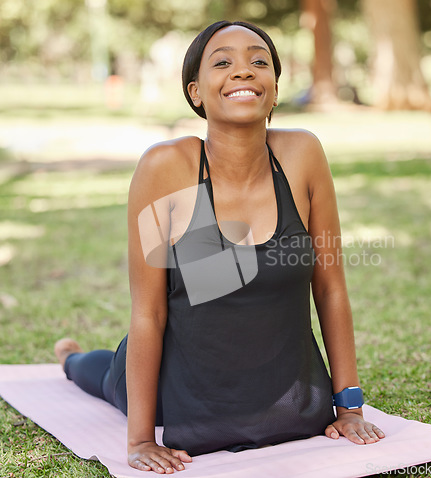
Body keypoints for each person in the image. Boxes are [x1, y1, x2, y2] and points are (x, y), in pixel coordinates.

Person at [55, 20, 385, 475]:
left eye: (259, 61)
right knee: (103, 375)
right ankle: (69, 358)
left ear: (273, 87)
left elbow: (330, 290)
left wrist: (349, 406)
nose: (243, 71)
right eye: (223, 62)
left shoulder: (302, 155)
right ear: (195, 91)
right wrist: (139, 440)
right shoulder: (167, 166)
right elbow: (148, 312)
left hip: (284, 386)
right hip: (178, 382)